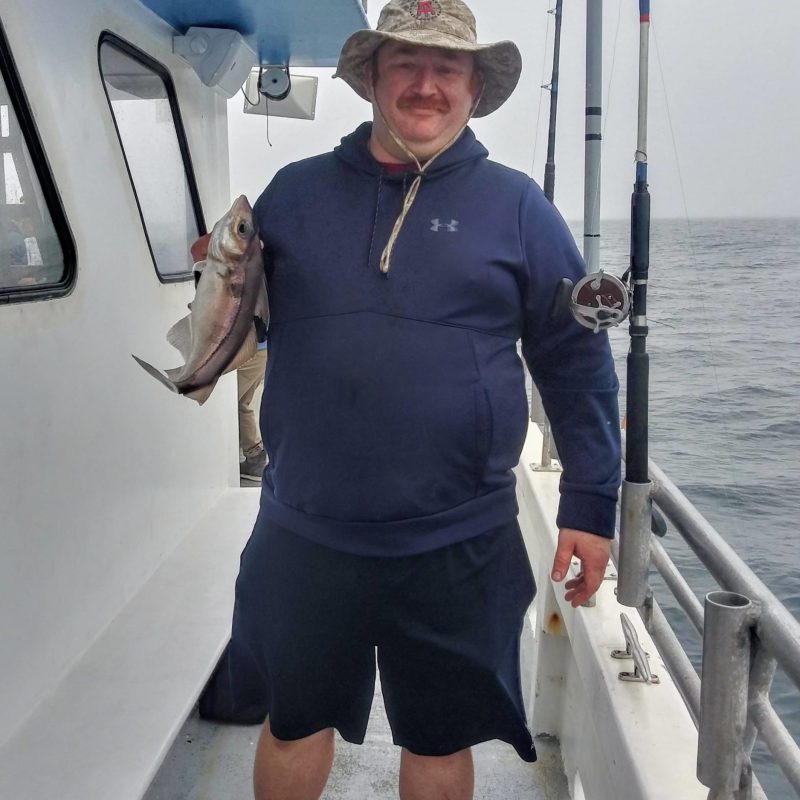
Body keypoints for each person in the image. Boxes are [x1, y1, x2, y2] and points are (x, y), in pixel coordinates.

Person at [202, 2, 621, 798]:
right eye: (406, 65)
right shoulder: (291, 195)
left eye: (448, 69)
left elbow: (574, 360)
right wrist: (212, 285)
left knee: (439, 737)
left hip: (459, 539)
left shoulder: (520, 208)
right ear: (372, 78)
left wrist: (591, 502)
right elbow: (237, 312)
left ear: (472, 88)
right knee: (292, 721)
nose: (425, 86)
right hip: (305, 529)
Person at [237, 340, 268, 481]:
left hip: (252, 350)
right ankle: (254, 459)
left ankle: (255, 459)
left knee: (225, 402)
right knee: (240, 404)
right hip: (260, 350)